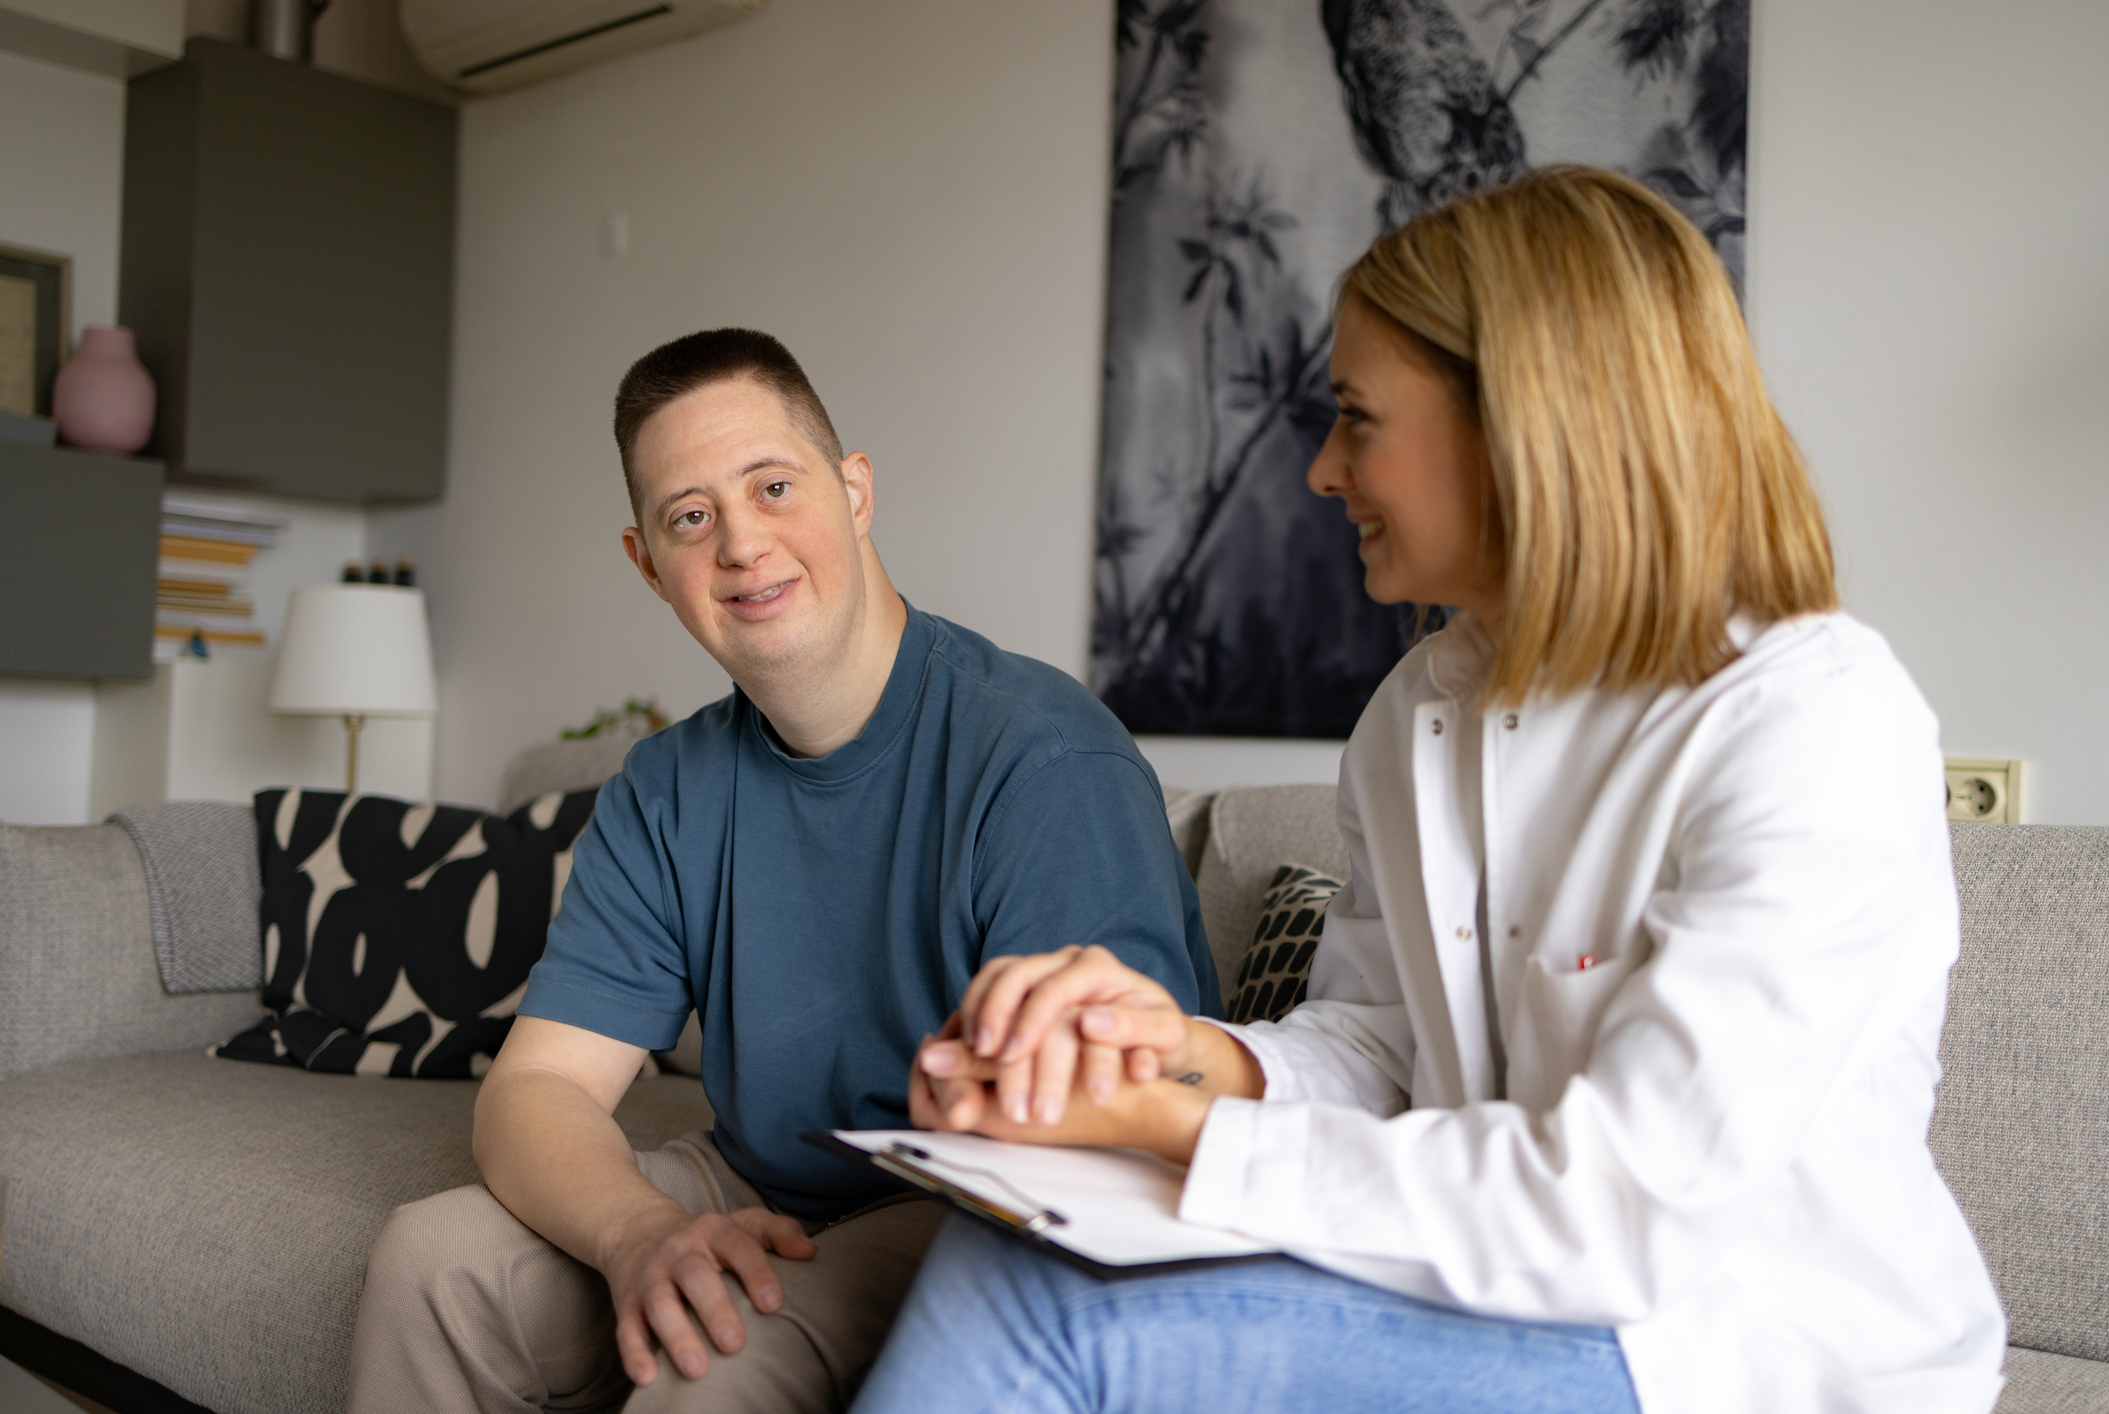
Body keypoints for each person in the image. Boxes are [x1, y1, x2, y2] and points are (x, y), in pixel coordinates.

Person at [860, 167, 2008, 1414]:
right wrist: (1168, 1055)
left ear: (1522, 423)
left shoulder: (1811, 722)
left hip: (1737, 1349)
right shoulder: (1416, 711)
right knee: (1005, 1237)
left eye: (1355, 418)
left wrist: (1171, 1128)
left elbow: (1622, 1213)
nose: (1321, 471)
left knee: (1038, 1306)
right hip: (1498, 1281)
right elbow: (1383, 1041)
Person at [346, 328, 1222, 1414]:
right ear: (647, 564)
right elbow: (539, 1087)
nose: (741, 544)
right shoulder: (665, 787)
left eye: (772, 486)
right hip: (756, 1181)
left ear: (854, 492)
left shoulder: (1042, 757)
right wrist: (638, 1232)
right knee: (434, 1259)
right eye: (689, 516)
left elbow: (1117, 1132)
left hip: (977, 1201)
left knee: (717, 1351)